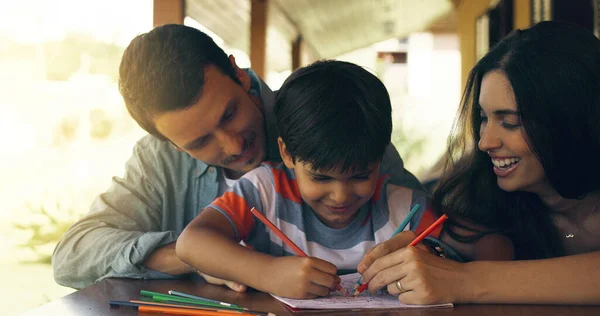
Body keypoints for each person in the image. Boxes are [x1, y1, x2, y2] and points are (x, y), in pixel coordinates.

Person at [51, 24, 422, 290]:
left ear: (238, 74)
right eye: (199, 142)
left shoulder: (329, 122)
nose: (231, 146)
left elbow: (421, 225)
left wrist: (419, 249)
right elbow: (72, 254)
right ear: (173, 145)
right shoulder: (158, 161)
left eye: (228, 114)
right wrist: (196, 256)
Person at [356, 21, 600, 305]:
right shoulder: (478, 199)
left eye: (510, 122)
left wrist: (464, 279)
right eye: (483, 119)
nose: (485, 142)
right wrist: (437, 258)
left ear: (572, 120)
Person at [176, 60, 434, 299]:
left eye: (360, 175)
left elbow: (463, 253)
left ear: (380, 157)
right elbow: (191, 242)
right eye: (321, 177)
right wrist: (269, 273)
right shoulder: (264, 191)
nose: (340, 195)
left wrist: (433, 254)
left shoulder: (407, 208)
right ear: (287, 153)